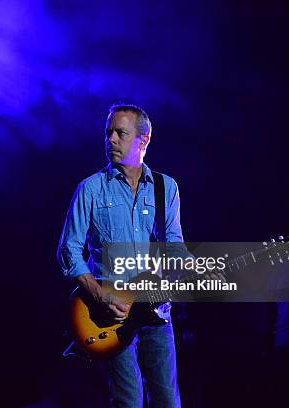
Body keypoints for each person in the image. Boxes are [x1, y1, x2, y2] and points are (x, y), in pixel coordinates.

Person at [57, 104, 183, 407]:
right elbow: (68, 249)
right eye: (108, 133)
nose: (111, 139)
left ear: (144, 140)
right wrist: (100, 296)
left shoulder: (166, 188)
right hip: (109, 313)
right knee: (129, 400)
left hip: (156, 311)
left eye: (120, 133)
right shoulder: (90, 189)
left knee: (167, 399)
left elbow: (174, 245)